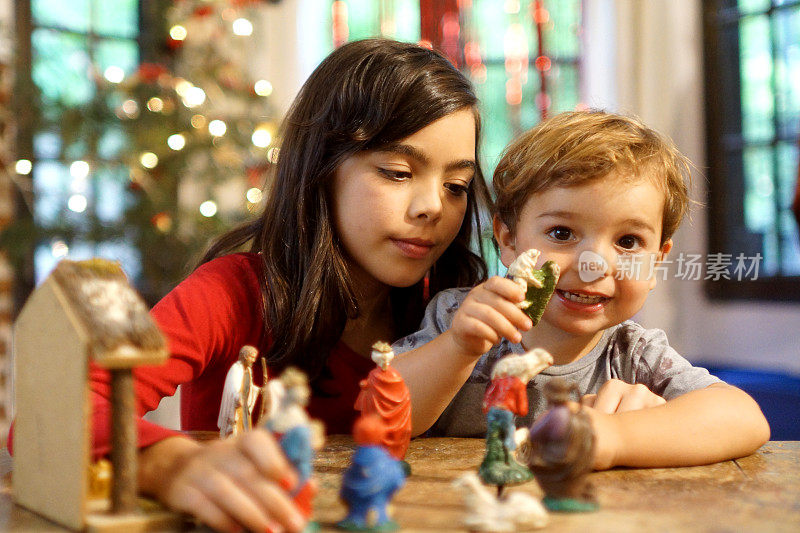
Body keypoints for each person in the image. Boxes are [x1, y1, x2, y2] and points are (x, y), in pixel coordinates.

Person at [43, 39, 490, 532]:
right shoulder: (229, 294)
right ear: (320, 168)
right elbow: (59, 414)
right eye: (398, 172)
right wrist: (171, 465)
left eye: (456, 187)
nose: (433, 207)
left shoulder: (451, 320)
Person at [393, 110, 770, 471]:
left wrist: (615, 437)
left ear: (656, 261)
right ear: (508, 239)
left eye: (628, 241)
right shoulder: (458, 316)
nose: (596, 265)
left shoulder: (634, 355)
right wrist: (458, 347)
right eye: (562, 233)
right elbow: (387, 411)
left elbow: (744, 418)